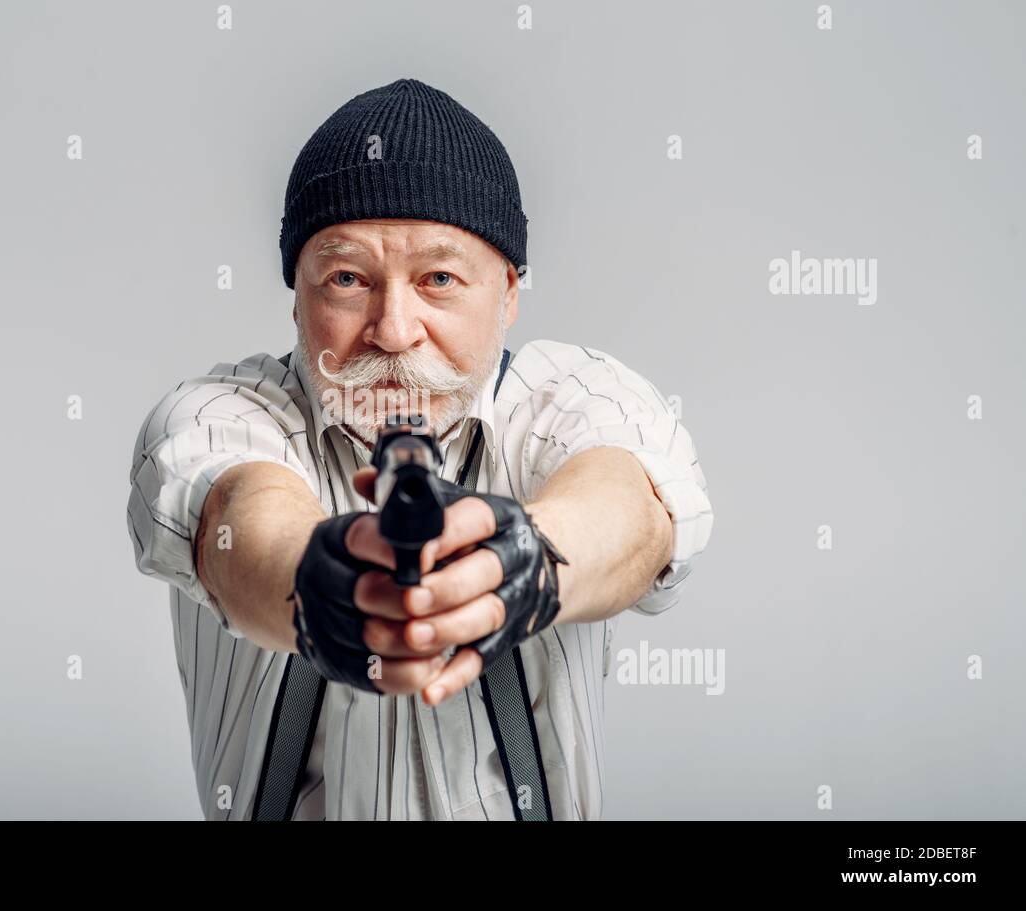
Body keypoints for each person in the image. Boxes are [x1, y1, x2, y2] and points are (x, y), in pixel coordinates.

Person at [127, 78, 714, 820]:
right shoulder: (221, 411)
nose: (393, 329)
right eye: (347, 279)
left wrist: (530, 558)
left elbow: (634, 505)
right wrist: (317, 584)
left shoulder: (571, 397)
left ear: (507, 291)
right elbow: (238, 515)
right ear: (296, 295)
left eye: (438, 279)